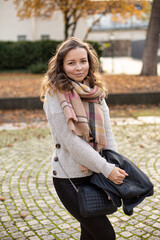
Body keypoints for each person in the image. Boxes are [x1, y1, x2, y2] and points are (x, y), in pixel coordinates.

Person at [41, 37, 128, 240]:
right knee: (105, 235)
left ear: (90, 62)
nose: (79, 68)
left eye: (83, 61)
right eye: (71, 63)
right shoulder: (55, 96)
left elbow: (108, 133)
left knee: (89, 235)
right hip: (69, 178)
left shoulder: (96, 92)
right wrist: (107, 169)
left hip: (95, 174)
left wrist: (114, 165)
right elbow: (72, 142)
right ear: (61, 66)